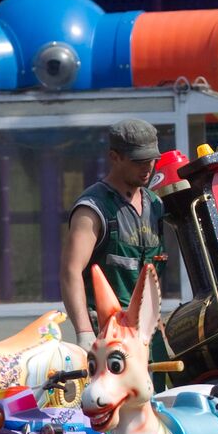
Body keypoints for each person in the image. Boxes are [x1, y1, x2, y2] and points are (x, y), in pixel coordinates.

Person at [61, 118, 164, 352]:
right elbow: (70, 271)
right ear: (114, 157)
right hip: (110, 338)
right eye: (139, 160)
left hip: (149, 338)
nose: (147, 167)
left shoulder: (155, 205)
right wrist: (85, 334)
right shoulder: (92, 208)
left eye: (152, 159)